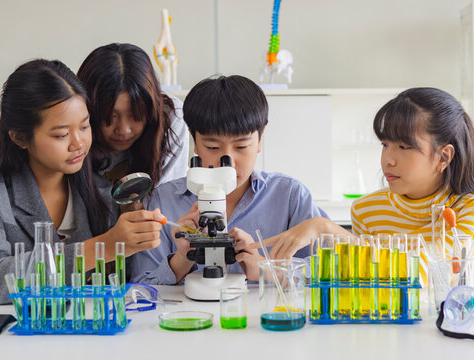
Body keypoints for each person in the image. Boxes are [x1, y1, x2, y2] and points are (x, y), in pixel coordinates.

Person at [0, 59, 164, 305]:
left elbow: (123, 283)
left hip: (83, 334)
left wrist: (146, 239)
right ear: (20, 138)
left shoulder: (100, 192)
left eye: (85, 126)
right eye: (61, 134)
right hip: (3, 338)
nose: (78, 143)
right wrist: (105, 245)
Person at [262, 87, 474, 279]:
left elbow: (431, 271)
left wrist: (327, 229)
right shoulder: (367, 210)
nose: (387, 159)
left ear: (444, 156)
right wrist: (270, 271)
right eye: (385, 144)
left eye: (404, 146)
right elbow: (364, 277)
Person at [129, 75, 328, 284]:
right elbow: (139, 289)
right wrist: (181, 260)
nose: (228, 162)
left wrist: (266, 268)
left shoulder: (290, 196)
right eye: (213, 147)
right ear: (194, 141)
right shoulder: (164, 200)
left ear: (260, 140)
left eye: (241, 147)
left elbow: (331, 271)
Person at [77, 43, 189, 188]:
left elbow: (165, 201)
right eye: (111, 117)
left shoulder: (170, 115)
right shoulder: (72, 128)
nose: (124, 130)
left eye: (136, 115)